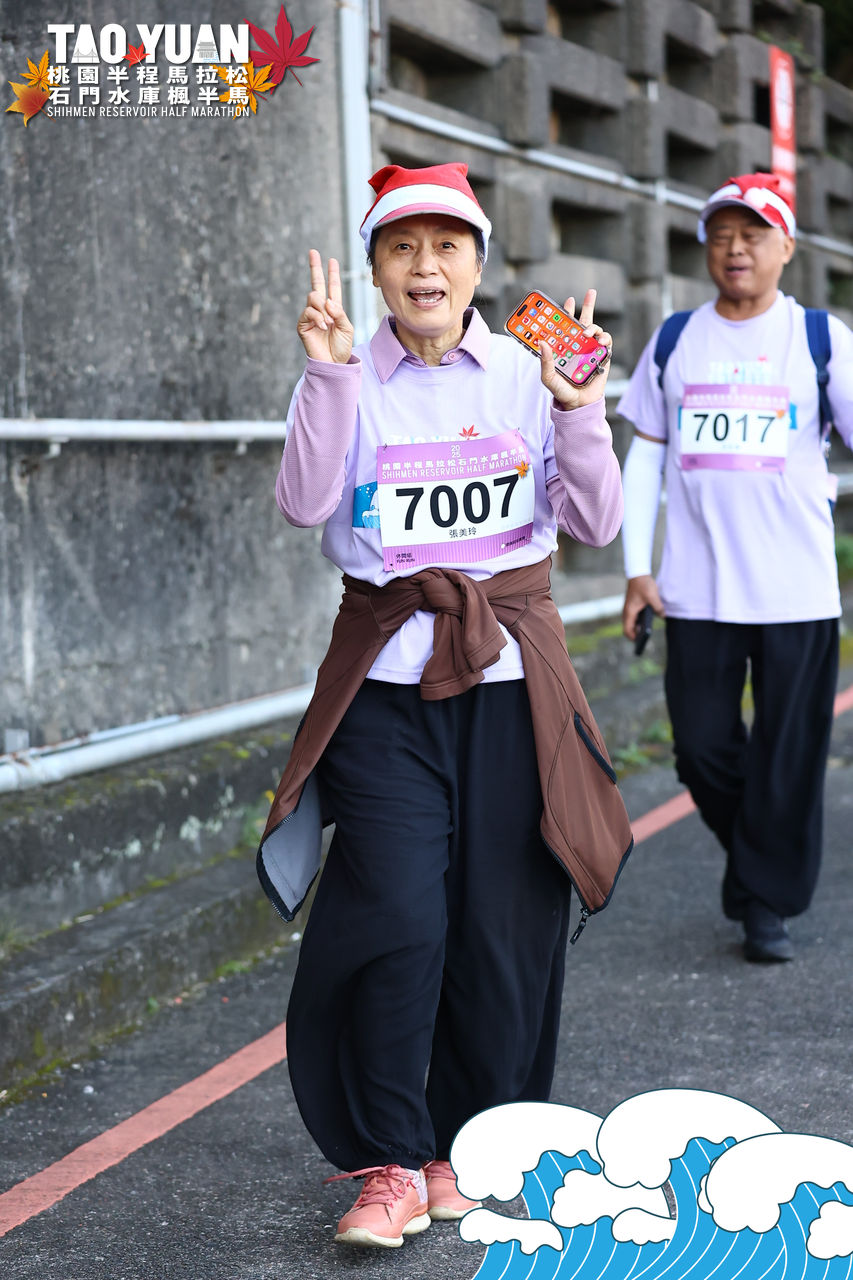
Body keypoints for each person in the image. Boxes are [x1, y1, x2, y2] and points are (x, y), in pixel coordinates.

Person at [257, 161, 632, 1249]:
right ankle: (387, 1160)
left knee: (501, 928)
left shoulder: (526, 370)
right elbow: (303, 505)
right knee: (394, 916)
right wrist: (326, 378)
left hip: (512, 685)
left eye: (446, 246)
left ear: (477, 264)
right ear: (376, 269)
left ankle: (462, 1150)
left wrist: (579, 409)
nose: (425, 267)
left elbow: (595, 524)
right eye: (402, 248)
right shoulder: (346, 373)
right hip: (384, 691)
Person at [618, 172, 853, 964]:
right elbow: (644, 456)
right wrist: (636, 569)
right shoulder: (675, 339)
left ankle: (763, 906)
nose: (735, 248)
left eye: (752, 234)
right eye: (720, 234)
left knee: (788, 756)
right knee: (701, 751)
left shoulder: (818, 338)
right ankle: (763, 861)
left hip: (797, 591)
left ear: (785, 246)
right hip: (696, 590)